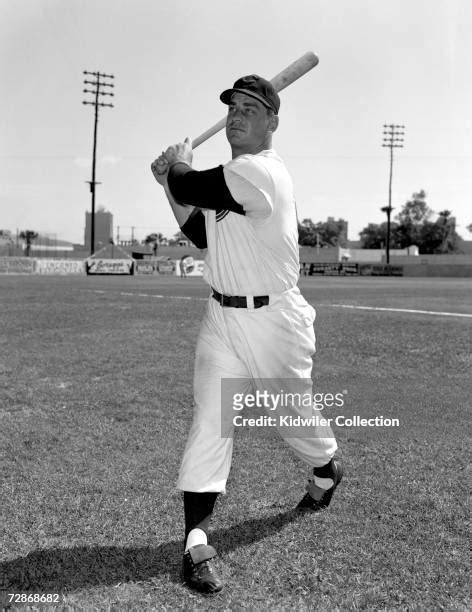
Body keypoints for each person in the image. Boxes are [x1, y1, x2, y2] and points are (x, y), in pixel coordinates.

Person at [151, 74, 343, 594]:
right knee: (213, 419)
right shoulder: (232, 182)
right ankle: (195, 541)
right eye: (233, 107)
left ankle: (325, 468)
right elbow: (199, 230)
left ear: (272, 124)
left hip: (274, 320)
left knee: (289, 414)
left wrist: (176, 167)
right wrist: (169, 182)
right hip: (222, 318)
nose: (236, 115)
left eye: (250, 109)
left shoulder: (261, 174)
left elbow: (194, 185)